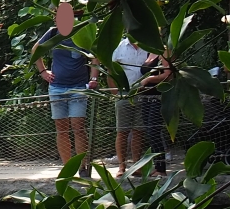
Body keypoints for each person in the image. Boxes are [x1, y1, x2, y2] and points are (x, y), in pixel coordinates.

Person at [36, 17, 100, 175]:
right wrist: (43, 72)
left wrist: (94, 78)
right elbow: (36, 50)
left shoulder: (82, 31)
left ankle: (82, 166)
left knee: (78, 126)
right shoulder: (53, 33)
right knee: (61, 129)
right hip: (57, 88)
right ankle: (67, 168)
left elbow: (95, 56)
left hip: (78, 87)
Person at [110, 37, 150, 174]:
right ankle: (122, 166)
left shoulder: (148, 45)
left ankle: (137, 165)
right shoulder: (119, 46)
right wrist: (115, 92)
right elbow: (111, 70)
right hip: (124, 93)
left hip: (143, 93)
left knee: (139, 130)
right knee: (122, 131)